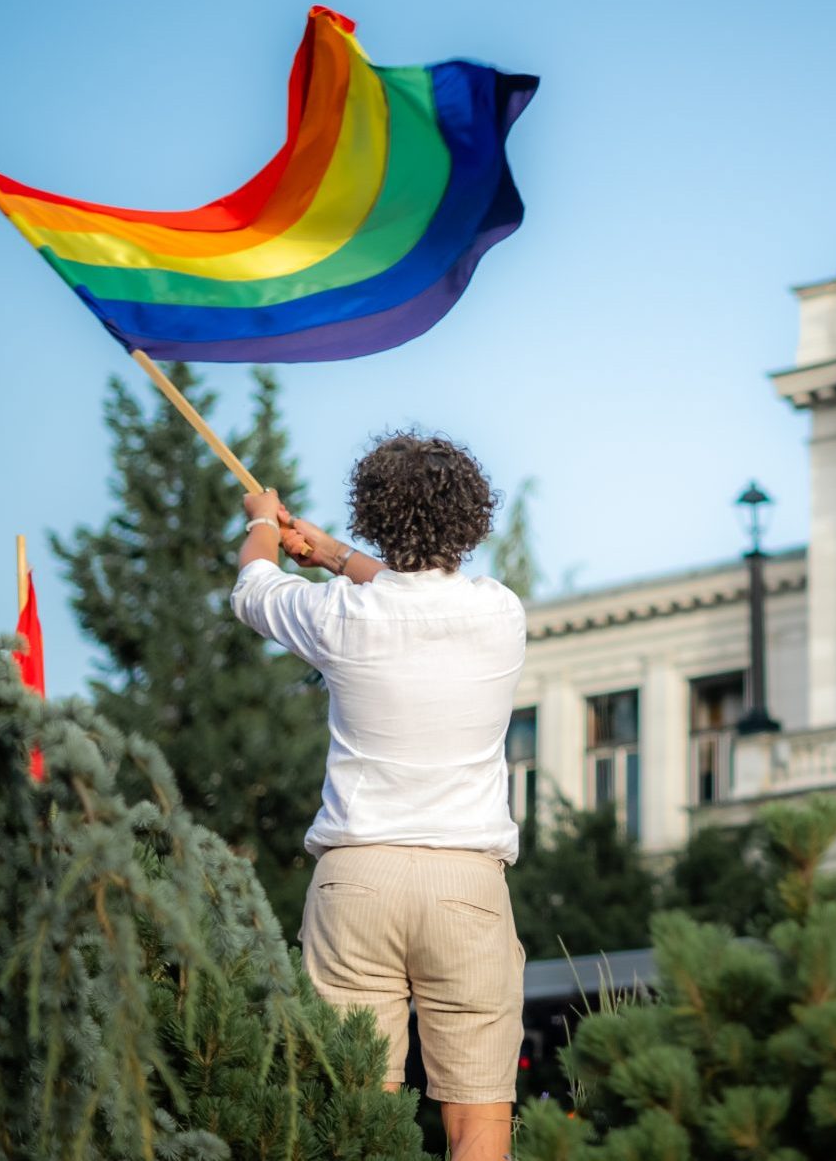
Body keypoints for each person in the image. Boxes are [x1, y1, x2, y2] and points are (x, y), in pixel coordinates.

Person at [230, 430, 526, 1161]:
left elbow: (253, 589)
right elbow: (415, 598)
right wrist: (331, 554)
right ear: (472, 519)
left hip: (357, 877)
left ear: (373, 516)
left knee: (356, 1119)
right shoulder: (500, 613)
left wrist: (263, 520)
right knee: (478, 1126)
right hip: (466, 881)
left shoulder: (339, 618)